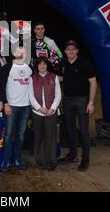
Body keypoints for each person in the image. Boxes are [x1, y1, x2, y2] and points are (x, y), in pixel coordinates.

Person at [58, 40, 97, 172]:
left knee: (84, 131)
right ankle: (73, 155)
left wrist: (91, 103)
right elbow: (60, 78)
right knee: (70, 129)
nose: (71, 51)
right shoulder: (62, 63)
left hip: (82, 101)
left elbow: (93, 82)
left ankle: (85, 159)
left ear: (77, 50)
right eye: (68, 49)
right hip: (67, 100)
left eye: (73, 49)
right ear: (65, 51)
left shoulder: (85, 63)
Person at [0, 46, 32, 172]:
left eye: (23, 52)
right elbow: (1, 87)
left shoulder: (30, 68)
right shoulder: (7, 68)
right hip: (11, 106)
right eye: (18, 52)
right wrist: (5, 103)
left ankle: (18, 159)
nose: (21, 54)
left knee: (21, 135)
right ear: (13, 53)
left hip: (25, 107)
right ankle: (6, 160)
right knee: (8, 135)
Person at [29, 57, 61, 171]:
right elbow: (31, 96)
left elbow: (58, 95)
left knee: (51, 137)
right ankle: (40, 161)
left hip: (51, 113)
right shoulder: (32, 78)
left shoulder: (54, 77)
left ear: (47, 65)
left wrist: (52, 108)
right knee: (39, 137)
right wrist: (39, 109)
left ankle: (51, 161)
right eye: (40, 64)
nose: (42, 67)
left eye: (44, 64)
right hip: (37, 113)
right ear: (37, 66)